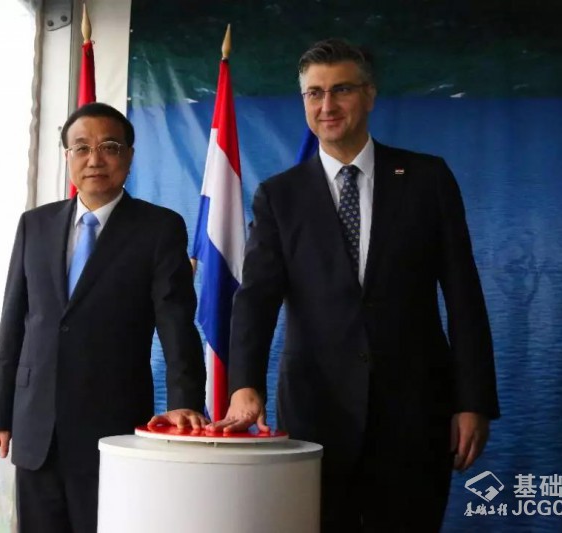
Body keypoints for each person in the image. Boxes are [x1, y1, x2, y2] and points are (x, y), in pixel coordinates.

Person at [210, 39, 500, 531]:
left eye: (341, 90)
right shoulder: (279, 196)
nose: (327, 105)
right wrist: (244, 386)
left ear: (369, 95)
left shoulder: (427, 179)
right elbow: (255, 300)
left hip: (415, 412)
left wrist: (473, 401)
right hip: (315, 415)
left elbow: (463, 295)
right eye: (314, 93)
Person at [0, 102, 207, 533]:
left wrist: (184, 401)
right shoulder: (35, 225)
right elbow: (14, 325)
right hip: (36, 428)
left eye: (109, 147)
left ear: (129, 156)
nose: (94, 159)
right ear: (67, 156)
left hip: (112, 426)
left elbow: (176, 321)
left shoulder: (159, 228)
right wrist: (1, 418)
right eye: (81, 148)